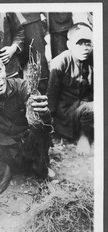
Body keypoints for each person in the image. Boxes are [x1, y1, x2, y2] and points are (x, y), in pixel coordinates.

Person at [0, 50, 54, 195]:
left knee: (39, 129)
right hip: (3, 151)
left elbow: (43, 126)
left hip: (28, 147)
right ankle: (2, 173)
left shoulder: (22, 86)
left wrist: (43, 113)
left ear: (4, 68)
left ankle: (40, 167)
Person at [47, 23, 93, 155]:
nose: (85, 48)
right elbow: (52, 95)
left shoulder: (92, 60)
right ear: (69, 45)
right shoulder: (60, 62)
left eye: (88, 44)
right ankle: (83, 136)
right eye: (80, 43)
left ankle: (85, 135)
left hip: (84, 112)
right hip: (65, 115)